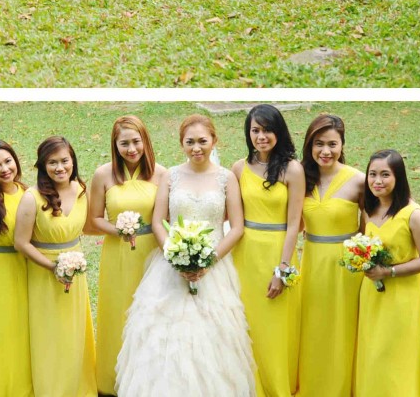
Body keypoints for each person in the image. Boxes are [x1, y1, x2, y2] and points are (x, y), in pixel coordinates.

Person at [116, 115, 254, 396]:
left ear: (214, 141)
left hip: (214, 266)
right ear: (181, 144)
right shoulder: (171, 176)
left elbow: (237, 227)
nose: (196, 148)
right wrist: (175, 256)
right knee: (166, 336)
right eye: (189, 142)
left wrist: (208, 261)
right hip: (170, 265)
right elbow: (157, 221)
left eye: (203, 141)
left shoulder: (227, 178)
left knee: (213, 336)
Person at [84, 116, 166, 397]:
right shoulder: (103, 175)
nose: (131, 149)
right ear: (115, 145)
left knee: (152, 316)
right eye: (124, 143)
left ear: (145, 141)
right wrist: (117, 228)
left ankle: (151, 381)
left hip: (152, 253)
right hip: (117, 254)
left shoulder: (162, 174)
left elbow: (168, 218)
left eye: (136, 141)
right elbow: (91, 221)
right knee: (118, 313)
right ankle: (114, 380)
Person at [13, 136, 95, 397]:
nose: (60, 167)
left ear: (73, 161)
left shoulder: (82, 189)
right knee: (50, 335)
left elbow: (89, 226)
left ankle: (77, 387)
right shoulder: (32, 198)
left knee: (74, 332)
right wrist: (53, 268)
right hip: (44, 276)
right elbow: (21, 243)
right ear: (42, 165)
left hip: (76, 271)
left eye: (64, 161)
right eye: (52, 162)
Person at [231, 105, 304, 397]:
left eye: (267, 130)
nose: (261, 136)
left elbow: (295, 224)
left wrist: (281, 270)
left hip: (277, 252)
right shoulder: (239, 168)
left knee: (275, 329)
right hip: (245, 253)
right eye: (255, 130)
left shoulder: (292, 169)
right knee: (248, 326)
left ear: (279, 132)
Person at [356, 150, 420, 397]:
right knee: (373, 353)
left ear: (398, 178)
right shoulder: (369, 210)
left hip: (403, 297)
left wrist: (389, 271)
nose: (377, 181)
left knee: (395, 355)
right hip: (372, 295)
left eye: (385, 175)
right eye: (372, 174)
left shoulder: (412, 214)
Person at [297, 114, 364, 397]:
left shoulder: (359, 180)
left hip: (346, 266)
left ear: (342, 145)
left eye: (332, 144)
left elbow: (373, 224)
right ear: (310, 145)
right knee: (313, 327)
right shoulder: (300, 177)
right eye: (319, 144)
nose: (325, 151)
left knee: (343, 328)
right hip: (312, 262)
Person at [0, 139, 32, 397]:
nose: (4, 169)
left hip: (25, 267)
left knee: (24, 328)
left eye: (7, 161)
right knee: (3, 328)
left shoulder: (26, 192)